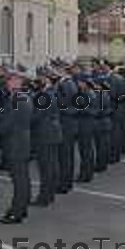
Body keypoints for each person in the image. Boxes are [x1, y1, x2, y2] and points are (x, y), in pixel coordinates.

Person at [0, 66, 33, 224]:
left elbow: (6, 124)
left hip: (15, 143)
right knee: (23, 179)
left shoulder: (16, 99)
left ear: (16, 82)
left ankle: (15, 212)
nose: (7, 83)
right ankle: (21, 209)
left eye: (9, 80)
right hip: (22, 142)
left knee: (19, 180)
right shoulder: (25, 97)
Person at [31, 67, 62, 206]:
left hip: (45, 134)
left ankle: (44, 197)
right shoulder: (52, 92)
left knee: (46, 168)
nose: (38, 79)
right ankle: (50, 194)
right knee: (52, 166)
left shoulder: (45, 95)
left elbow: (36, 116)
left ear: (46, 79)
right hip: (53, 132)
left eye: (40, 77)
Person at [57, 63, 79, 193]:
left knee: (64, 156)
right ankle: (68, 182)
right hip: (70, 123)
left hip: (65, 123)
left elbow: (64, 105)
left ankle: (64, 184)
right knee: (68, 155)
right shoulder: (71, 83)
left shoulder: (64, 85)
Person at [76, 72, 97, 183]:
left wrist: (77, 109)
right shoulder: (89, 92)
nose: (78, 84)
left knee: (85, 151)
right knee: (87, 150)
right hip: (87, 124)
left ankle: (85, 174)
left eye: (79, 82)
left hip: (85, 125)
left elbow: (89, 110)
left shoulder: (87, 94)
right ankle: (88, 172)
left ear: (84, 83)